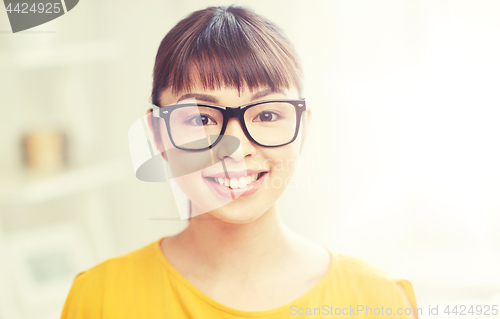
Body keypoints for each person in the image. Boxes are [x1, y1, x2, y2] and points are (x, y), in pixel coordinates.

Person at [60, 5, 419, 318]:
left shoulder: (380, 301)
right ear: (157, 135)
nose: (235, 149)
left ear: (303, 127)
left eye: (266, 116)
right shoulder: (98, 298)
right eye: (201, 119)